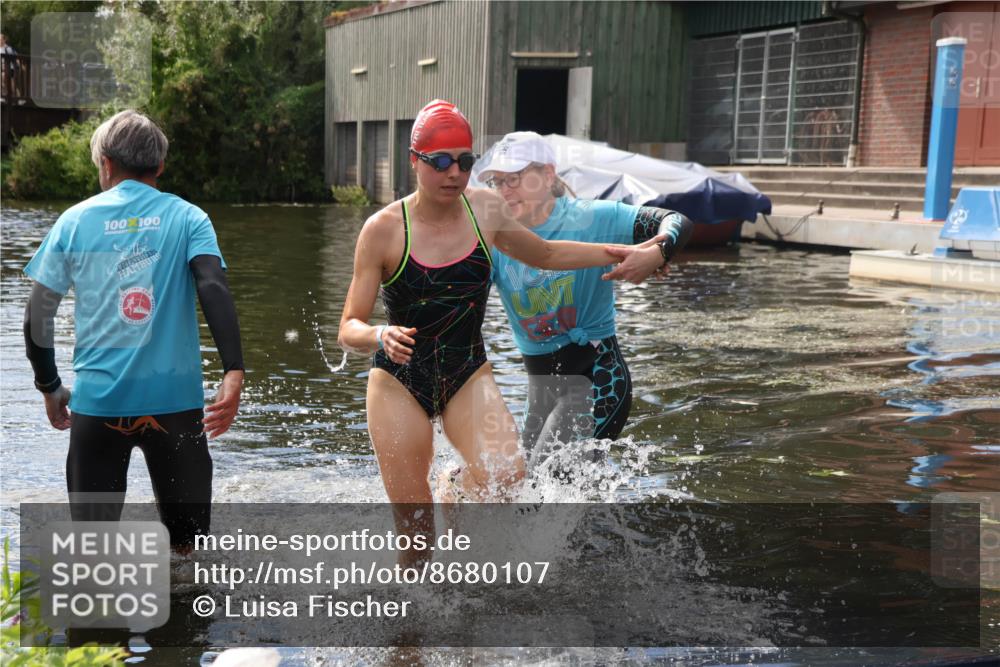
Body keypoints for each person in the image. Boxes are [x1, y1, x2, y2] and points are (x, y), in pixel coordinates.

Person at [337, 101, 656, 557]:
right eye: (440, 161)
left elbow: (544, 254)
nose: (454, 173)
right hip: (399, 381)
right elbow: (348, 326)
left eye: (464, 161)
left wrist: (621, 255)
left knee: (507, 478)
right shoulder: (383, 230)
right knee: (416, 532)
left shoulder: (485, 209)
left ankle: (455, 484)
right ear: (415, 161)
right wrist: (378, 335)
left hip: (467, 370)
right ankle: (413, 622)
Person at [23, 109, 244, 550]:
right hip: (176, 408)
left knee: (93, 555)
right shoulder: (189, 218)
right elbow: (212, 285)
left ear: (106, 164)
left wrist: (50, 386)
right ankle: (189, 618)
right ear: (160, 166)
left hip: (99, 406)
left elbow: (37, 317)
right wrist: (233, 371)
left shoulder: (74, 221)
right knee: (190, 554)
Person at [476, 132, 693, 469]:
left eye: (515, 178)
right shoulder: (492, 240)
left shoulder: (591, 218)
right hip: (540, 391)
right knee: (519, 492)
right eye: (497, 181)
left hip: (596, 379)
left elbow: (675, 221)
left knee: (541, 496)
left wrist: (658, 252)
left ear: (548, 175)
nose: (505, 190)